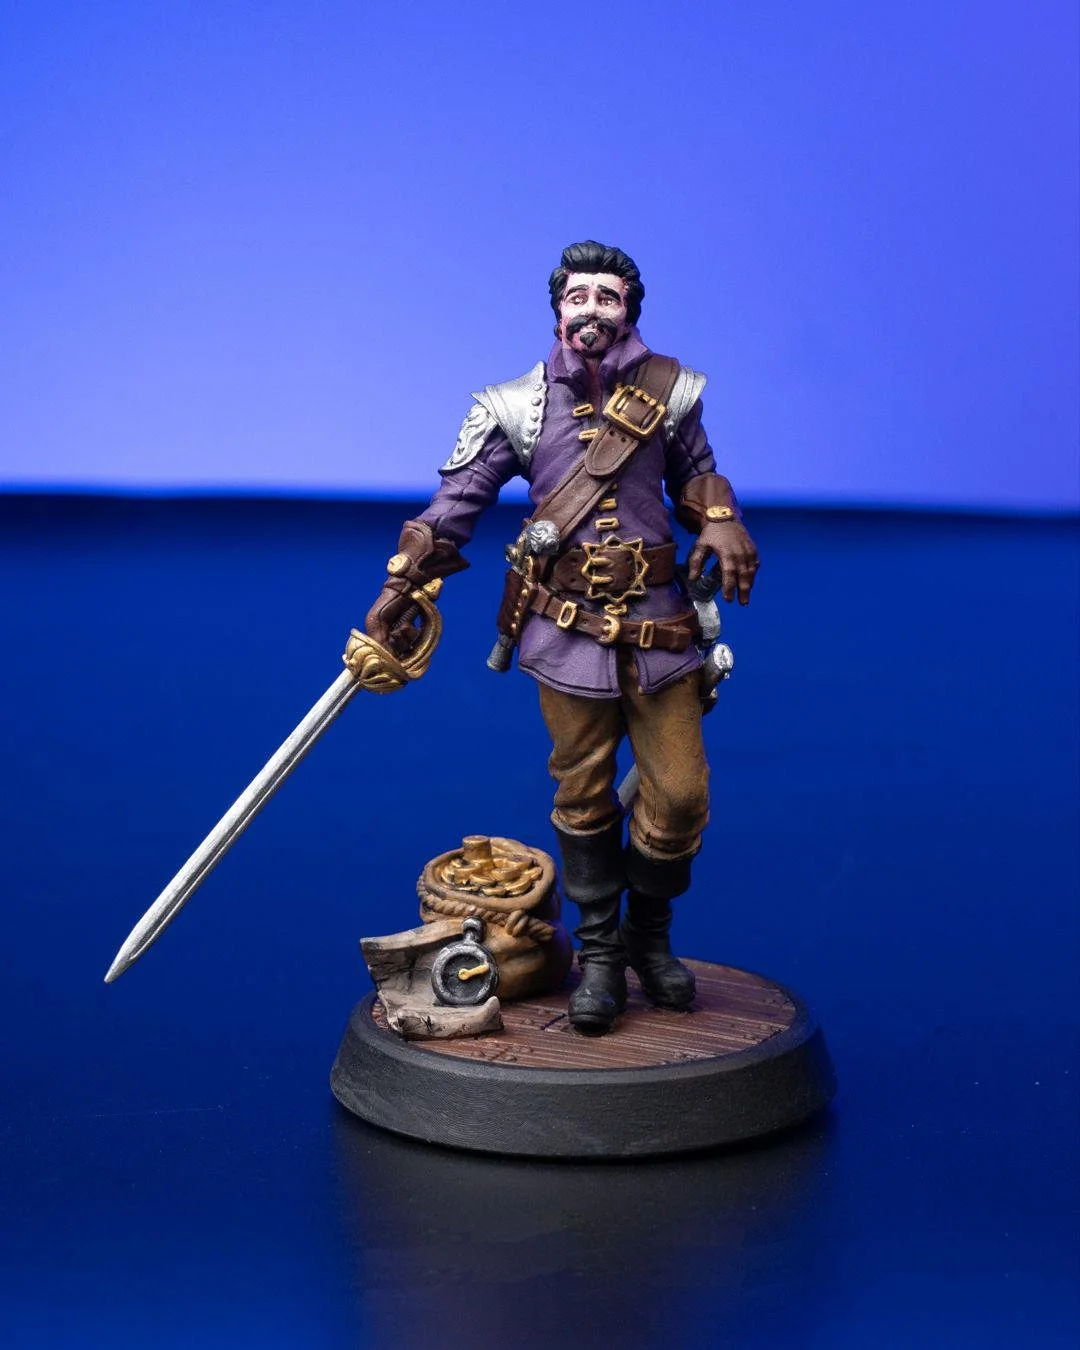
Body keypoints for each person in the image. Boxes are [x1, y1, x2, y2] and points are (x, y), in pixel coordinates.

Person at [361, 241, 759, 1035]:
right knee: (581, 798)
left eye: (607, 297)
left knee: (680, 798)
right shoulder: (514, 406)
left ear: (628, 309)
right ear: (558, 309)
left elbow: (696, 474)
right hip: (565, 631)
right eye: (579, 296)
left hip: (659, 627)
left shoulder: (671, 392)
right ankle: (602, 953)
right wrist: (402, 585)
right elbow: (456, 502)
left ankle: (649, 937)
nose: (592, 310)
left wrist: (720, 519)